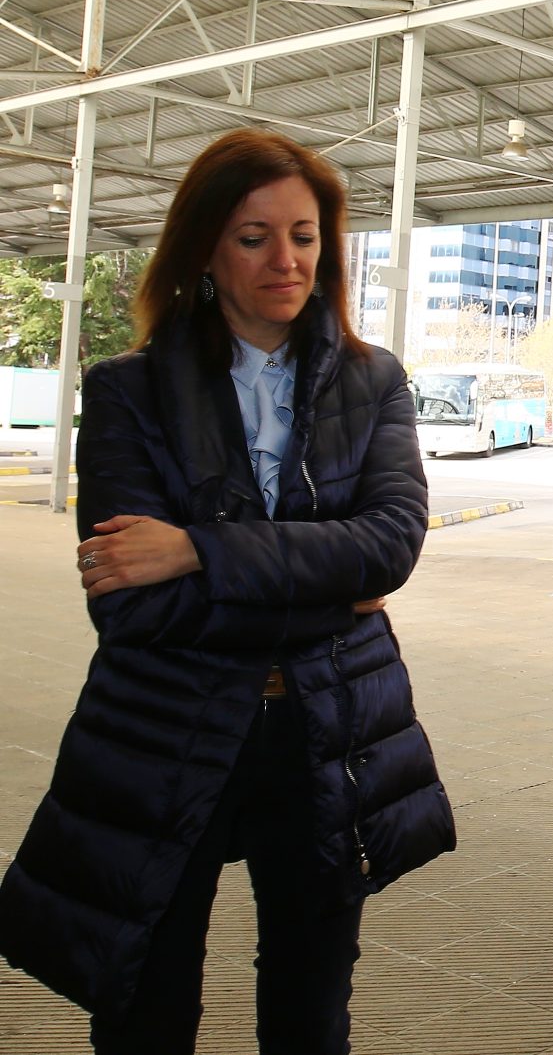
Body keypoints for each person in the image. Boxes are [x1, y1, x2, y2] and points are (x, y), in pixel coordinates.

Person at [0, 129, 456, 1055]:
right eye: (254, 237)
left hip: (329, 734)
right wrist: (328, 579)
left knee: (310, 1006)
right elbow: (130, 599)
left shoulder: (374, 383)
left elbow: (389, 548)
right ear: (204, 248)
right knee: (144, 1004)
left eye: (304, 234)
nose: (285, 260)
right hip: (164, 729)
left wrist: (198, 549)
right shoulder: (128, 392)